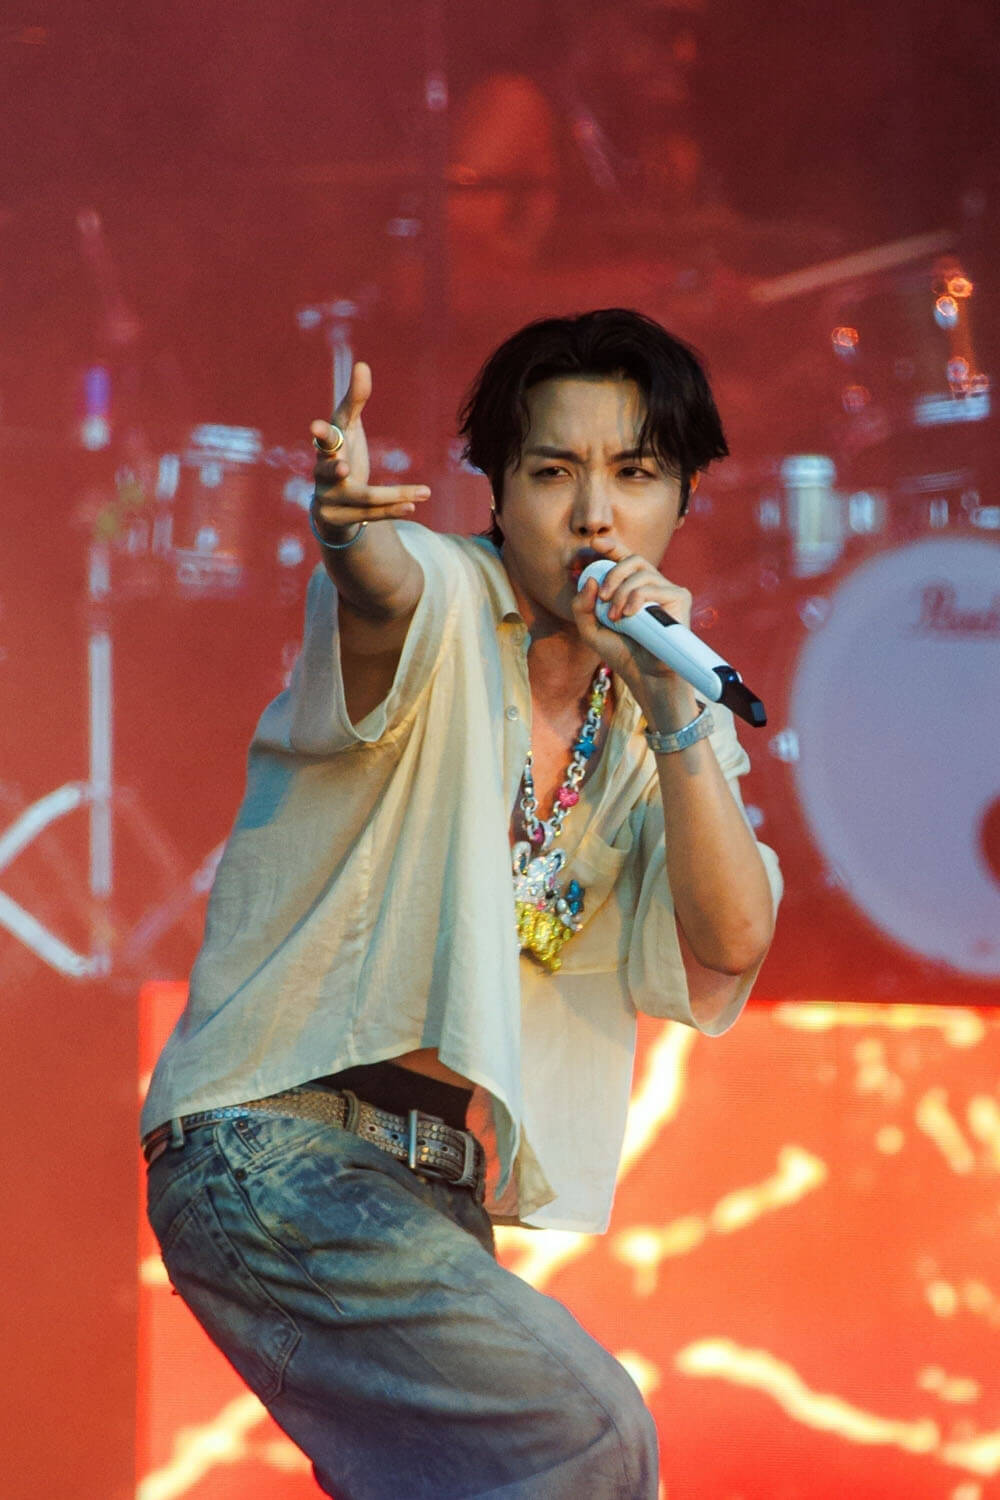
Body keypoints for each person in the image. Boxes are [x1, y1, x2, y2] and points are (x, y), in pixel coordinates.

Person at [141, 307, 781, 1499]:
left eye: (635, 475)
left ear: (685, 497)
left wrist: (673, 711)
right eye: (553, 472)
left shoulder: (654, 705)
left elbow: (732, 938)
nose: (594, 516)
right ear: (494, 490)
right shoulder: (444, 595)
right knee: (592, 1432)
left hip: (429, 1182)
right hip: (275, 1146)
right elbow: (383, 586)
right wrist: (346, 532)